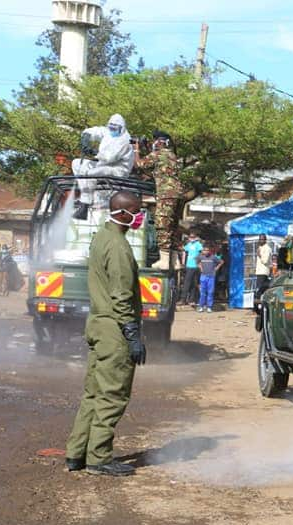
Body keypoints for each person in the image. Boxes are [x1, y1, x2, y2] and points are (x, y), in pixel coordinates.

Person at [65, 191, 147, 477]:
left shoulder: (101, 237)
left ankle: (77, 453)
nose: (141, 216)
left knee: (93, 393)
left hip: (97, 324)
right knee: (112, 395)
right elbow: (122, 294)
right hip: (114, 329)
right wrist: (132, 333)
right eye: (138, 211)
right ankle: (99, 458)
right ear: (123, 213)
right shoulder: (119, 247)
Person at [135, 130, 188, 269]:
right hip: (179, 194)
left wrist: (136, 150)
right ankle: (175, 260)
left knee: (162, 223)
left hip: (166, 193)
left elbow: (140, 164)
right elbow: (155, 170)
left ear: (159, 142)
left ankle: (164, 260)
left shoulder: (158, 154)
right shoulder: (172, 156)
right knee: (173, 225)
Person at [72, 114, 135, 216]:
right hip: (104, 165)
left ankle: (85, 204)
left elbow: (110, 157)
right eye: (111, 127)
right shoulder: (108, 132)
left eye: (115, 128)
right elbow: (96, 131)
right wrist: (86, 137)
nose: (112, 130)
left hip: (118, 170)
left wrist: (93, 151)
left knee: (91, 173)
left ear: (122, 128)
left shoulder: (125, 140)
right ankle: (86, 196)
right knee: (76, 163)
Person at [196, 245, 223, 313]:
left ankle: (209, 307)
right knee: (202, 292)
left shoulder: (213, 257)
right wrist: (200, 267)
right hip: (203, 276)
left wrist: (217, 268)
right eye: (204, 250)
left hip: (211, 276)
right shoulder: (200, 256)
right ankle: (201, 306)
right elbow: (197, 261)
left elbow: (221, 262)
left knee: (210, 292)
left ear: (209, 251)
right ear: (202, 251)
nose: (206, 252)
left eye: (207, 250)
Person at [180, 232, 204, 305]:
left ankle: (185, 299)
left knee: (191, 283)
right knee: (190, 283)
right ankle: (189, 300)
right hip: (188, 266)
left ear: (196, 237)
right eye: (190, 237)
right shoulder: (189, 244)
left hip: (195, 266)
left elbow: (201, 252)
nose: (191, 238)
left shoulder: (198, 244)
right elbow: (184, 249)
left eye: (193, 237)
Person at [253, 234, 273, 314]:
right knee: (260, 290)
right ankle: (259, 309)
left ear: (265, 240)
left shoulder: (267, 248)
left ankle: (257, 309)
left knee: (260, 290)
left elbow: (265, 261)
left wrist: (259, 255)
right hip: (259, 271)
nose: (260, 241)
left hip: (263, 272)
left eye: (262, 239)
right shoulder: (261, 248)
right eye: (260, 239)